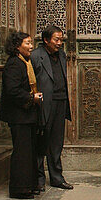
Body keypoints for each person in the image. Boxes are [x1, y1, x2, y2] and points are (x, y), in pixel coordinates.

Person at [0, 31, 43, 199]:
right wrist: (32, 97)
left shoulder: (25, 62)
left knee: (29, 151)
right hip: (19, 116)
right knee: (22, 152)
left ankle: (30, 185)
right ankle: (19, 188)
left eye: (31, 43)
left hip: (27, 114)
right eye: (27, 43)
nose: (31, 47)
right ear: (17, 46)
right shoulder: (14, 64)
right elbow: (12, 91)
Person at [32, 25, 73, 190]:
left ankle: (57, 177)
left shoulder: (61, 55)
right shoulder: (36, 56)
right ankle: (38, 179)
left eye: (61, 39)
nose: (59, 43)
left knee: (56, 142)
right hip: (44, 104)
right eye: (56, 39)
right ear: (46, 40)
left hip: (60, 101)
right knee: (41, 142)